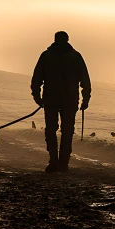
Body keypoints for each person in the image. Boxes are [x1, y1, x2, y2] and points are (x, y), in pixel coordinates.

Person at [30, 31, 91, 172]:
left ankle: (54, 161)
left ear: (55, 40)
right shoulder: (76, 56)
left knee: (51, 131)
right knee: (67, 131)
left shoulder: (46, 56)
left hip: (51, 100)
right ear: (67, 40)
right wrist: (85, 99)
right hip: (69, 100)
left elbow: (36, 78)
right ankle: (62, 163)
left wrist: (37, 97)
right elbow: (85, 80)